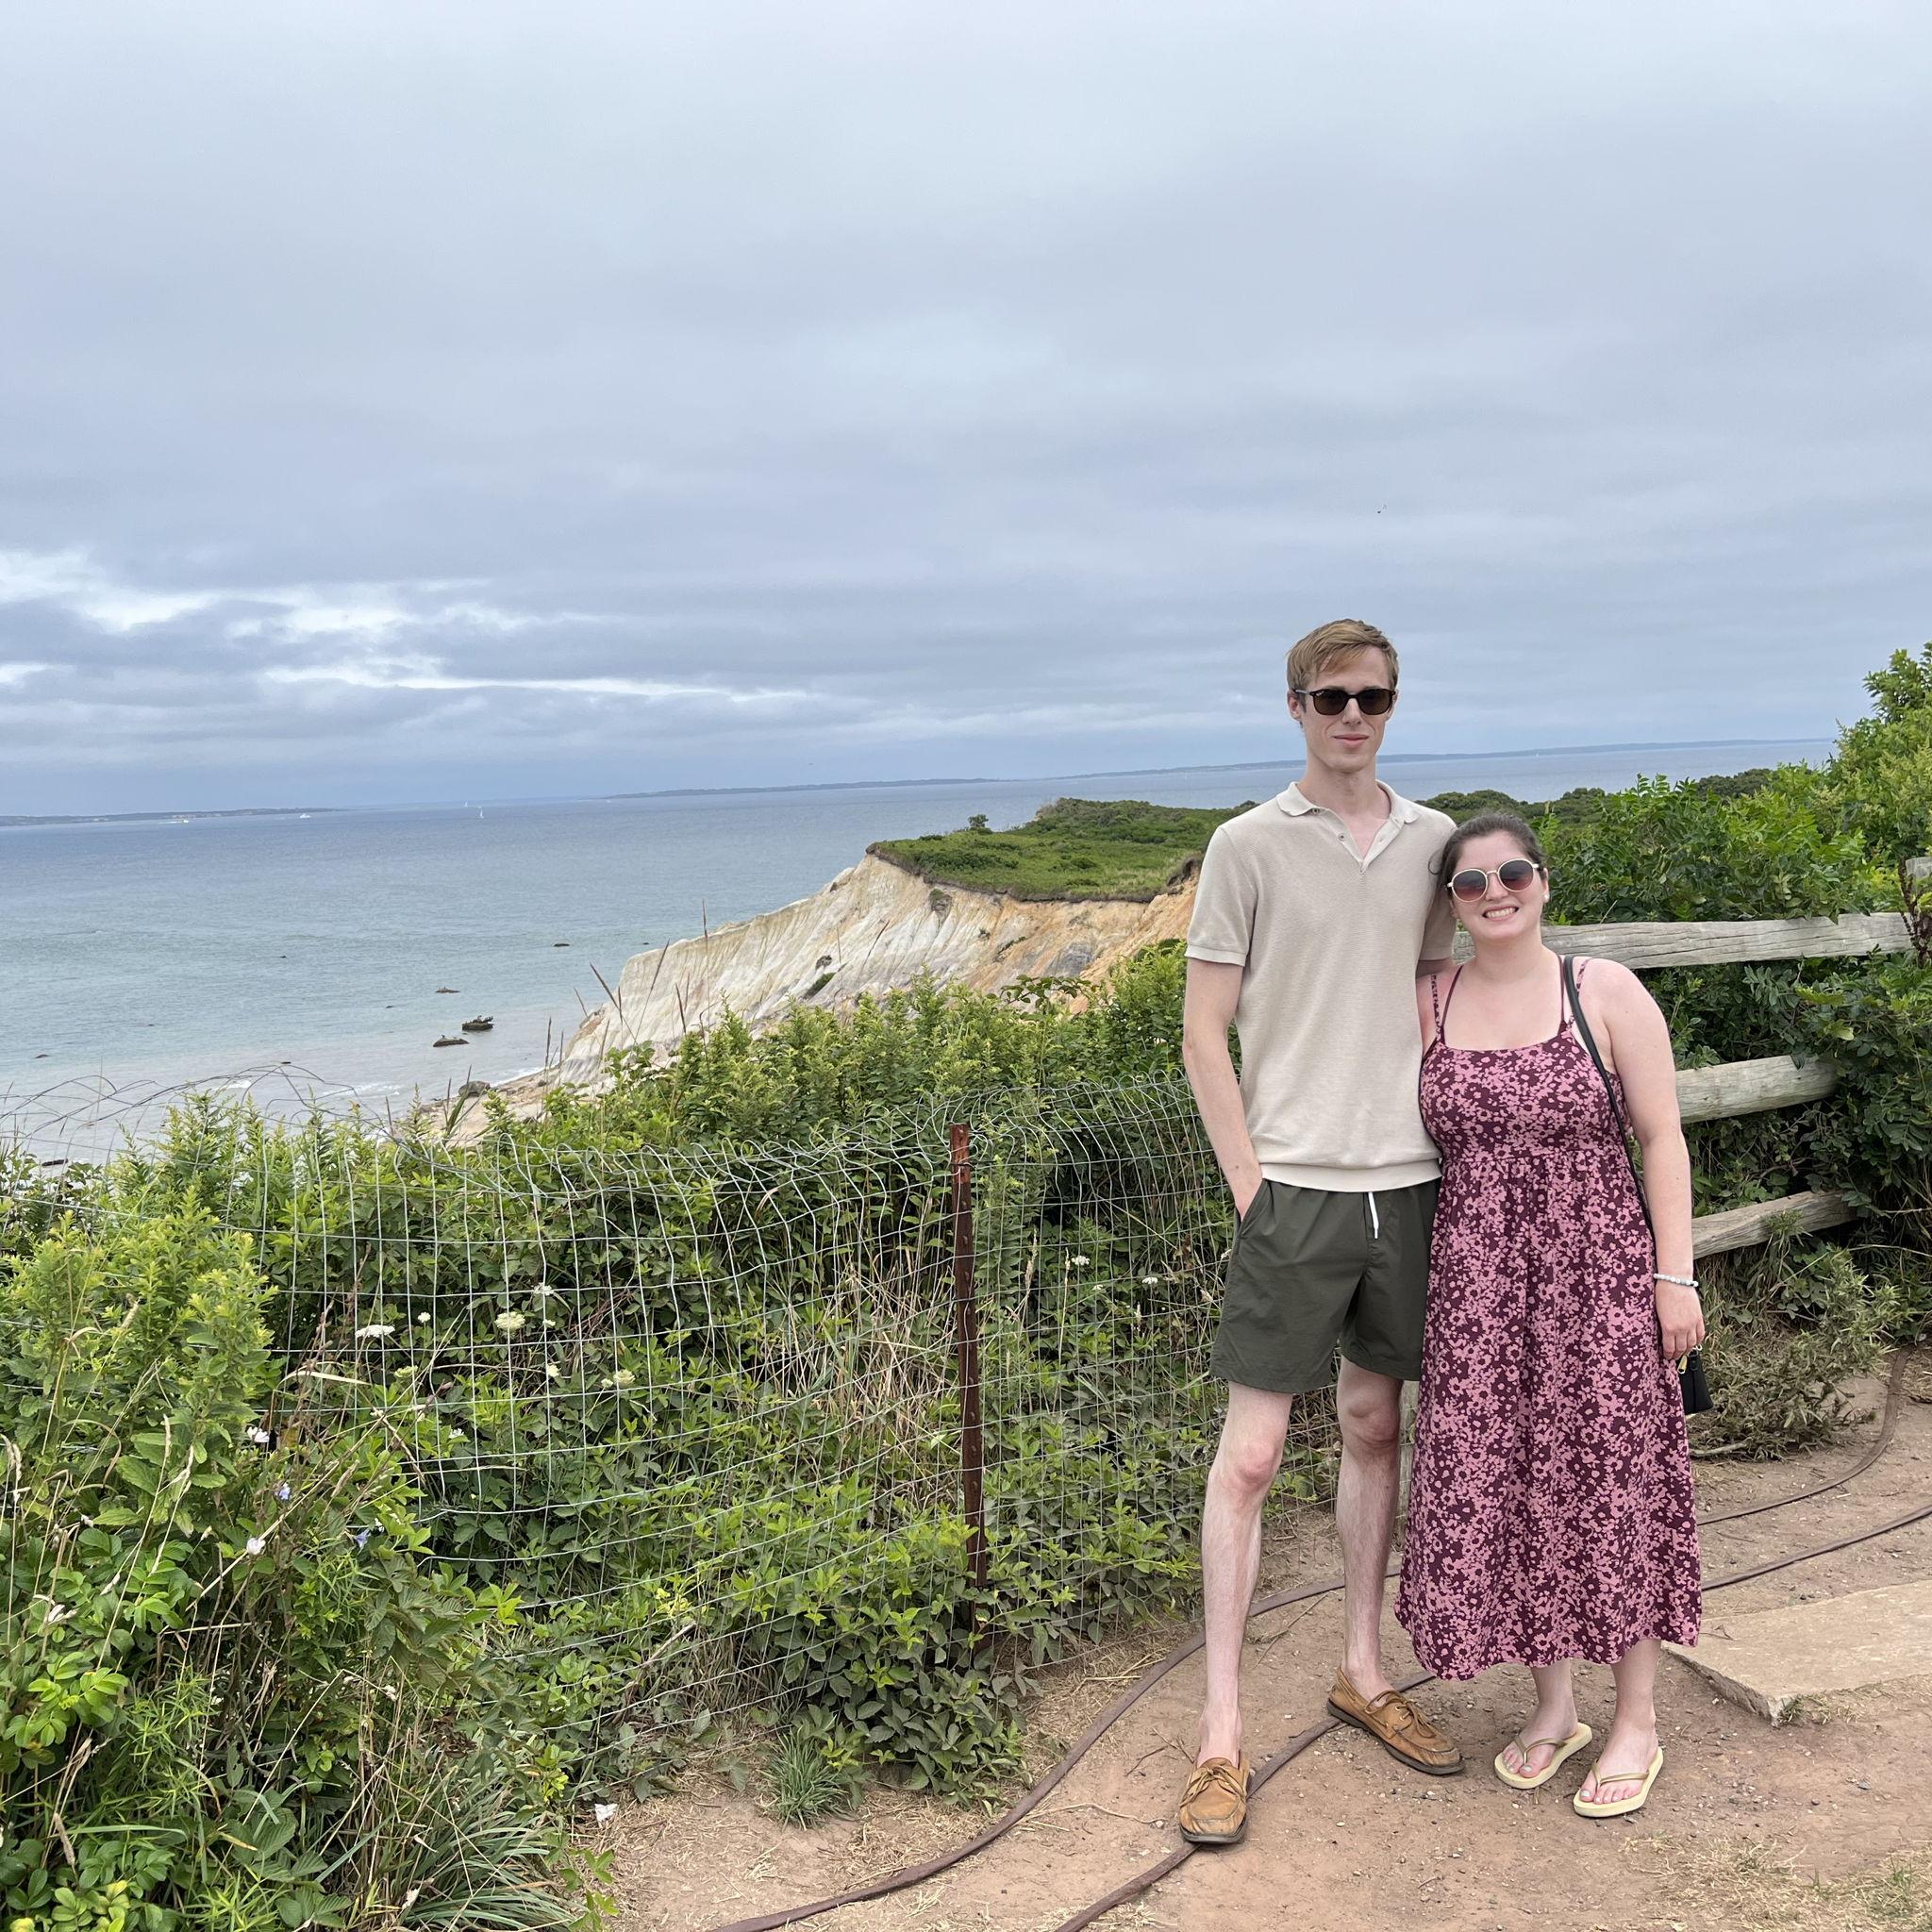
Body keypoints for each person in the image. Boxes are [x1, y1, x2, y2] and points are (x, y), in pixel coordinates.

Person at [1176, 618, 1463, 1847]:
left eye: (1375, 697)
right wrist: (1251, 1186)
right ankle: (1221, 1737)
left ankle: (1363, 1668)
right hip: (1290, 1187)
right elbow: (1203, 1031)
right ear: (1293, 706)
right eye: (1332, 696)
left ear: (1395, 705)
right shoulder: (1245, 846)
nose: (1355, 716)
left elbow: (1442, 995)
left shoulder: (1438, 843)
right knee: (1248, 1458)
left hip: (1407, 1180)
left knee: (1372, 1423)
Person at [1394, 812, 1704, 1820]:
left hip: (1599, 1276)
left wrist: (1676, 1276)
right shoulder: (1425, 997)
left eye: (1512, 870)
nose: (1495, 891)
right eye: (1470, 880)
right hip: (1477, 1291)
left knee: (1610, 1483)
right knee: (1515, 1486)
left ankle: (1636, 1718)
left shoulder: (1599, 989)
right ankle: (1554, 1704)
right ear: (1447, 900)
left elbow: (1660, 1139)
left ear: (1542, 880)